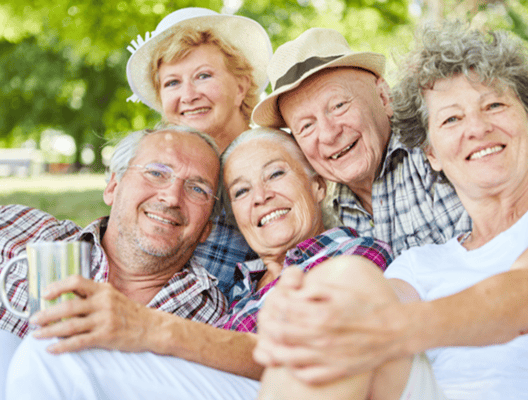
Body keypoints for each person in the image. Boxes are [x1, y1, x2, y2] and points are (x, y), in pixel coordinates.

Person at [255, 23, 528, 399]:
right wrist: (301, 314)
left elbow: (527, 298)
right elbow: (357, 300)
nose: (476, 127)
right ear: (432, 153)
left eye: (494, 105)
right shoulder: (418, 262)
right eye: (451, 119)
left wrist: (384, 329)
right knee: (342, 281)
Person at [6, 128, 392, 400]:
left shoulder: (350, 254)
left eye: (276, 173)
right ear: (113, 185)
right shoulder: (239, 288)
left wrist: (147, 326)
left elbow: (322, 349)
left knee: (51, 349)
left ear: (318, 186)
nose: (261, 197)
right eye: (241, 190)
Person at [0, 124, 225, 396]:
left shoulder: (212, 319)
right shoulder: (20, 232)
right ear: (113, 187)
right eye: (156, 173)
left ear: (207, 229)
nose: (171, 197)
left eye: (198, 189)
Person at [126, 7, 273, 300]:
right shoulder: (155, 170)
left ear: (241, 86)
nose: (188, 95)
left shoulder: (273, 161)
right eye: (172, 83)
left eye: (203, 76)